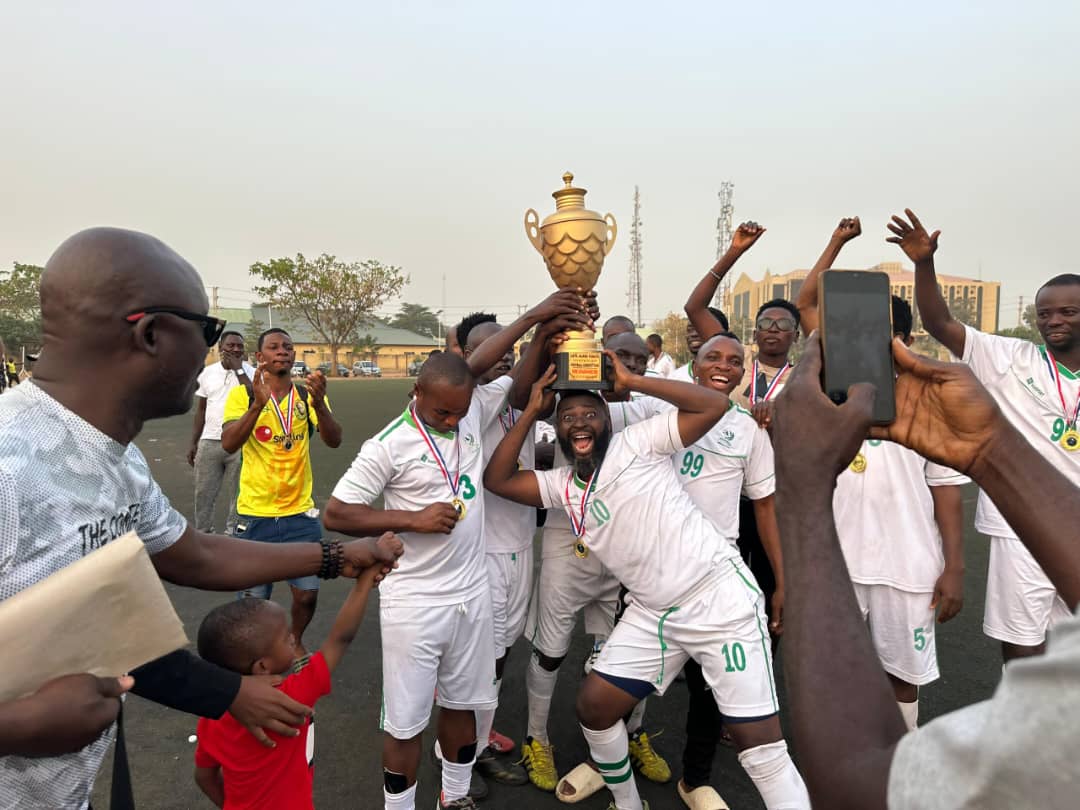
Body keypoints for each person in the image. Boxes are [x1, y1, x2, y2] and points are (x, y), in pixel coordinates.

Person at [0, 227, 398, 809]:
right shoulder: (10, 467)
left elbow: (192, 553)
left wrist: (336, 556)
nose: (217, 352)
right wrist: (14, 727)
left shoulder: (116, 455)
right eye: (208, 332)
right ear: (152, 333)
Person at [771, 330, 1080, 810]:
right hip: (849, 566)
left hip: (906, 565)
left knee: (900, 672)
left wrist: (801, 491)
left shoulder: (1060, 737)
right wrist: (988, 444)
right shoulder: (833, 409)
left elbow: (857, 786)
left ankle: (907, 733)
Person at [485, 356, 810, 810]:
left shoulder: (638, 444)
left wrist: (633, 380)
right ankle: (629, 803)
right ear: (557, 431)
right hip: (654, 611)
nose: (579, 423)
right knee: (595, 709)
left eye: (590, 414)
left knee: (760, 750)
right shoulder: (563, 486)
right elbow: (495, 479)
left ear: (607, 420)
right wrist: (531, 412)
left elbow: (713, 405)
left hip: (717, 598)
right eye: (568, 418)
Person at [324, 292, 589, 810]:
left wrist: (543, 325)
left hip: (471, 593)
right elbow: (336, 512)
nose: (452, 421)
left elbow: (510, 378)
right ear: (416, 391)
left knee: (467, 703)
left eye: (460, 412)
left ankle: (456, 797)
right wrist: (411, 519)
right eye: (442, 411)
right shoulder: (388, 445)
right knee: (405, 720)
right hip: (415, 601)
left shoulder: (470, 413)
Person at [795, 222, 967, 729]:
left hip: (908, 564)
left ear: (905, 339)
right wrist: (835, 244)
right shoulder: (827, 388)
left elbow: (947, 489)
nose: (869, 341)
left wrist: (955, 566)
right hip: (837, 564)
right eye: (859, 330)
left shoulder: (931, 400)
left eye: (884, 332)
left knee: (901, 675)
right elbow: (807, 305)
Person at [604, 331, 784, 810]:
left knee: (708, 695)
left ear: (744, 373)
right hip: (652, 569)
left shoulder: (749, 428)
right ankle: (611, 759)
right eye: (712, 358)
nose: (723, 366)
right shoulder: (655, 411)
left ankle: (696, 779)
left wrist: (780, 582)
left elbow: (764, 508)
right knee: (620, 686)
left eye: (733, 361)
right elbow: (603, 402)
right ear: (694, 365)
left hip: (714, 579)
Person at [895, 209, 1080, 662]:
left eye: (1068, 312)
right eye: (1044, 313)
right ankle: (1023, 726)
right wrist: (923, 263)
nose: (1053, 320)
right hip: (1020, 523)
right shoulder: (1010, 357)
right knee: (1023, 640)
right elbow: (941, 324)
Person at [193, 532, 403, 810]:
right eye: (285, 637)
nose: (294, 637)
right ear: (262, 666)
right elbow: (340, 639)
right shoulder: (291, 697)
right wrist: (365, 581)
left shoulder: (214, 713)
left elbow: (204, 776)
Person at [221, 328, 343, 653]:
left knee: (307, 594)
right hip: (255, 513)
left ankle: (296, 639)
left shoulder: (305, 397)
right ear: (259, 358)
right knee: (253, 599)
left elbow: (334, 440)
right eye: (273, 347)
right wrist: (256, 406)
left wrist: (321, 404)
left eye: (287, 347)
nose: (282, 351)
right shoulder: (242, 395)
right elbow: (229, 443)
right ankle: (257, 655)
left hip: (299, 513)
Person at [189, 331, 254, 535]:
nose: (236, 350)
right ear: (220, 348)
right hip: (210, 442)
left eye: (239, 346)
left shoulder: (252, 373)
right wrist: (194, 441)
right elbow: (201, 410)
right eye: (231, 346)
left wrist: (239, 371)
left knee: (239, 494)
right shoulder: (207, 373)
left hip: (241, 442)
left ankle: (232, 534)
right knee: (203, 493)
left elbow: (254, 397)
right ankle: (204, 532)